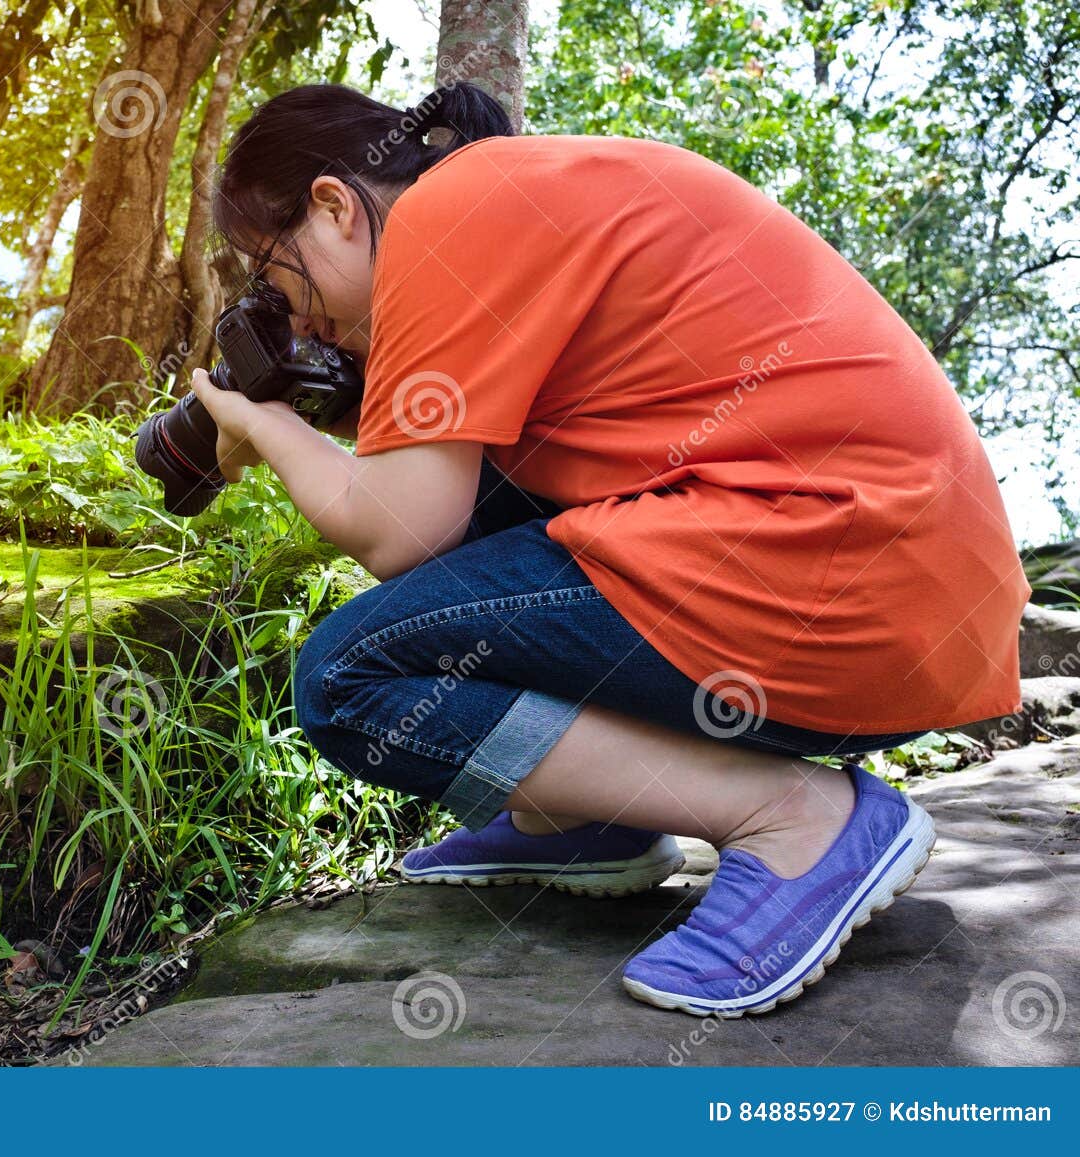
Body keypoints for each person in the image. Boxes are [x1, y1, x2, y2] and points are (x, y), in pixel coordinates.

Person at [187, 81, 1030, 1017]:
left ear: (335, 205)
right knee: (493, 492)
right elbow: (465, 498)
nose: (289, 317)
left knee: (348, 680)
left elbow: (400, 528)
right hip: (901, 591)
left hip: (838, 563)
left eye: (273, 273)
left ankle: (796, 819)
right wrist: (320, 406)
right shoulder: (514, 196)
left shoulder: (446, 207)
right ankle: (589, 815)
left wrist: (258, 420)